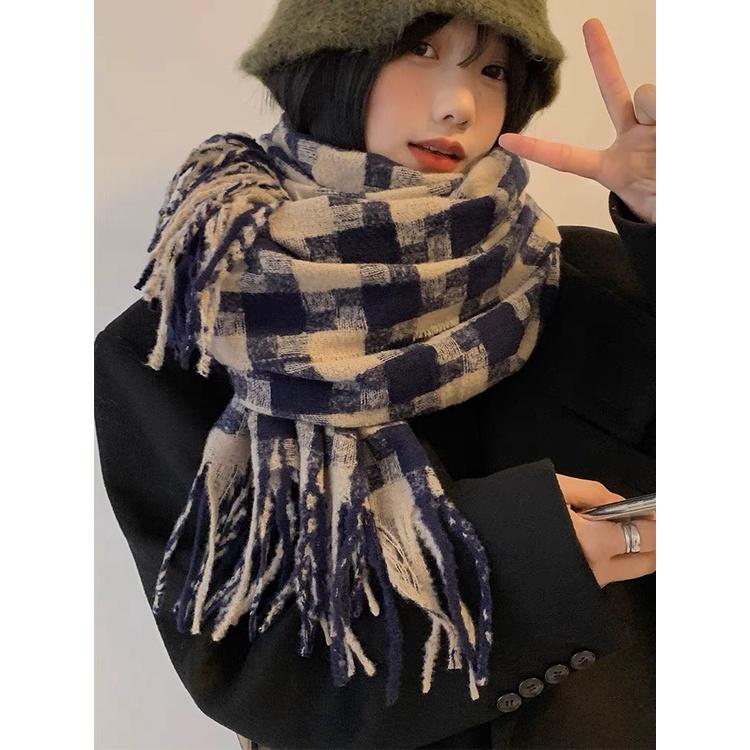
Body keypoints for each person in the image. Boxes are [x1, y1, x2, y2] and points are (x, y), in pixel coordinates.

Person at [94, 2, 655, 748]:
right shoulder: (178, 345)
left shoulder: (590, 280)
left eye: (493, 70)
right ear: (326, 57)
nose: (459, 104)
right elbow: (247, 669)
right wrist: (524, 558)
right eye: (420, 49)